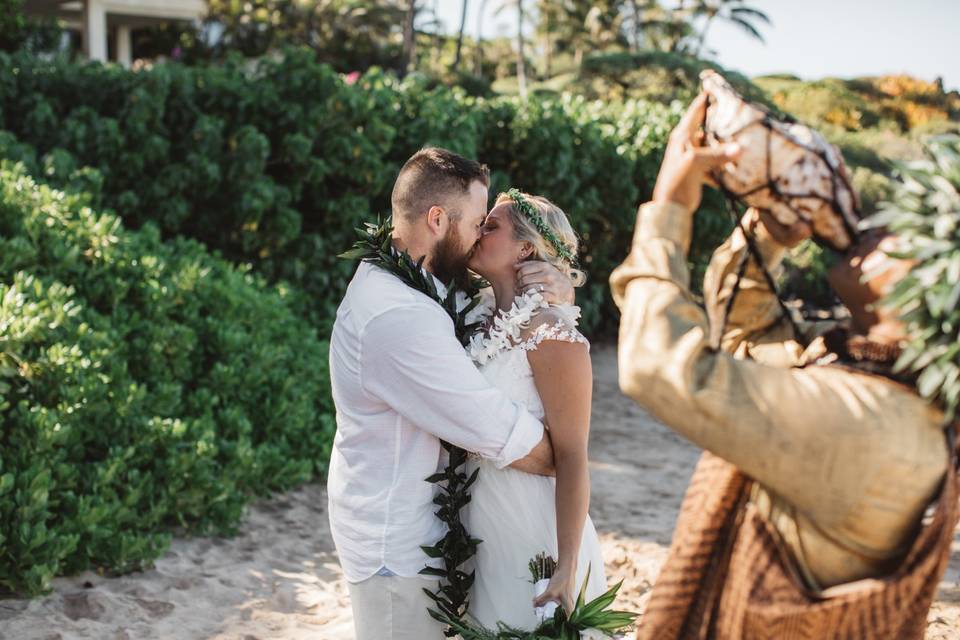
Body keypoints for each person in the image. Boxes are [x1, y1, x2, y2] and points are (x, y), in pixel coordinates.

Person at [610, 93, 958, 638]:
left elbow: (656, 365)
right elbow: (748, 331)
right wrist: (768, 234)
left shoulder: (867, 418)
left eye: (908, 237)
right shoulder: (885, 386)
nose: (880, 230)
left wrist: (670, 208)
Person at [327, 147, 576, 640]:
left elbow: (498, 319)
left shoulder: (425, 284)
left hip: (432, 534)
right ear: (438, 218)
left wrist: (558, 295)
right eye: (478, 222)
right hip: (396, 551)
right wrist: (570, 457)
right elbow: (498, 430)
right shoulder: (398, 314)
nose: (481, 235)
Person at [462, 190, 608, 630]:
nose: (477, 230)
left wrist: (565, 565)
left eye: (491, 226)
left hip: (533, 529)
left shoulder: (553, 335)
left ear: (525, 248)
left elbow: (572, 455)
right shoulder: (473, 315)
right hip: (480, 522)